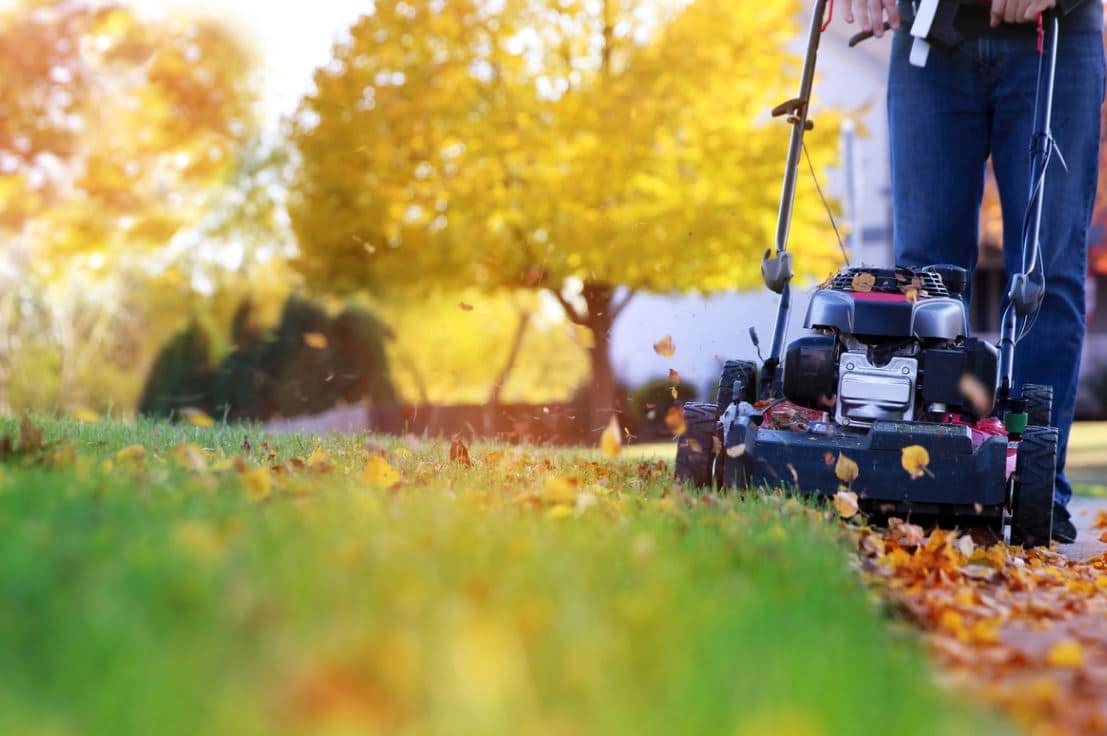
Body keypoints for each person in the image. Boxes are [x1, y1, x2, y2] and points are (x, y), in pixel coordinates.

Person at [843, 0, 1104, 541]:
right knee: (925, 282)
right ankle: (922, 477)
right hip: (931, 41)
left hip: (1054, 36)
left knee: (1044, 273)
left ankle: (1036, 487)